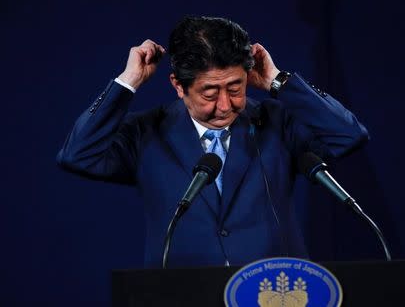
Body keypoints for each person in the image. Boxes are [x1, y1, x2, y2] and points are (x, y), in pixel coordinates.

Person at [57, 16, 368, 268]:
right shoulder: (146, 132)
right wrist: (127, 82)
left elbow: (348, 136)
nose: (225, 105)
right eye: (209, 93)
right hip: (182, 297)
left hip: (272, 294)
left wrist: (278, 81)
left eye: (236, 87)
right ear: (178, 86)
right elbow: (79, 155)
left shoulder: (277, 122)